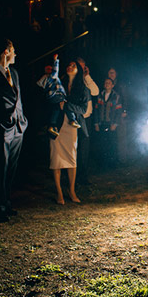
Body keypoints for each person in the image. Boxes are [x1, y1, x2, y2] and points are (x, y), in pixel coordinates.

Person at [0, 38, 28, 222]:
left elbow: (18, 99)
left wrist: (23, 120)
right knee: (0, 168)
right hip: (2, 126)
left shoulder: (15, 73)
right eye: (13, 50)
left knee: (12, 167)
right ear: (5, 52)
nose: (16, 54)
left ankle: (7, 202)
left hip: (18, 126)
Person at [49, 59, 91, 204]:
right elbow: (48, 98)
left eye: (73, 66)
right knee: (56, 158)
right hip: (57, 124)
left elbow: (83, 109)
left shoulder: (82, 88)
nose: (70, 67)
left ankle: (71, 190)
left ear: (78, 70)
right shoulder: (58, 83)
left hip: (72, 126)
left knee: (71, 159)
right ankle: (59, 192)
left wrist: (67, 106)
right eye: (68, 64)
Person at [36, 54, 81, 139]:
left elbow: (39, 84)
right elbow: (55, 69)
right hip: (57, 96)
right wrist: (56, 60)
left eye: (73, 66)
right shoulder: (53, 76)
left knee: (56, 109)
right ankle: (73, 119)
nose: (70, 67)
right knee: (64, 103)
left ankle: (52, 125)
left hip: (52, 97)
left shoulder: (45, 78)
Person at [75, 57, 99, 185]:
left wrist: (87, 76)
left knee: (84, 148)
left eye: (84, 67)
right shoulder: (72, 80)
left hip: (86, 119)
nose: (82, 70)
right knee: (74, 148)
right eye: (80, 67)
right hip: (74, 118)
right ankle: (73, 177)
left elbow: (95, 91)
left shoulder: (86, 80)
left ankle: (82, 176)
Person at [93, 77, 123, 168]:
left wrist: (115, 124)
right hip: (102, 123)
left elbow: (118, 112)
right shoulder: (100, 95)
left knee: (111, 144)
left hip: (111, 123)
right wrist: (96, 123)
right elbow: (96, 110)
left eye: (109, 83)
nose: (107, 84)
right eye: (105, 83)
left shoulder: (116, 96)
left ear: (113, 85)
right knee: (102, 144)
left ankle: (112, 164)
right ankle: (103, 164)